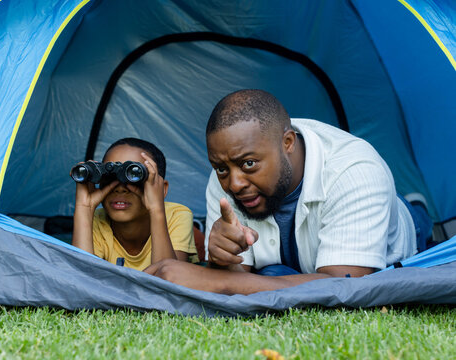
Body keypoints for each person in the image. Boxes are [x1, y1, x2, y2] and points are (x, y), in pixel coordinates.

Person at [145, 89, 432, 294]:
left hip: (394, 230)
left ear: (288, 143)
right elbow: (241, 279)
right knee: (272, 277)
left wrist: (214, 280)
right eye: (221, 168)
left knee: (414, 219)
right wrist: (222, 260)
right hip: (290, 265)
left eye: (249, 163)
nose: (234, 184)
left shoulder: (355, 170)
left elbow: (346, 283)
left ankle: (418, 211)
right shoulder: (225, 172)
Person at [72, 138, 197, 270]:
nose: (120, 188)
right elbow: (79, 281)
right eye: (109, 177)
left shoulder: (176, 215)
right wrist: (84, 208)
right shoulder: (96, 220)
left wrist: (156, 208)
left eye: (134, 176)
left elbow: (168, 282)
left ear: (162, 189)